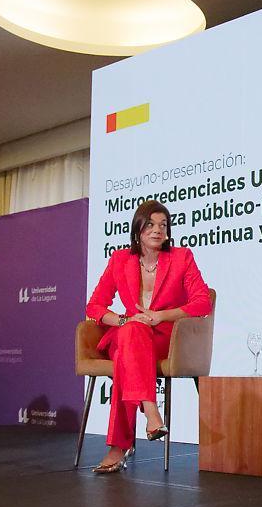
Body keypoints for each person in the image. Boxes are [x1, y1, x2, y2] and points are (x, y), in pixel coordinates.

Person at [85, 200, 212, 473]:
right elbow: (94, 306)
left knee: (123, 358)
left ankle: (119, 446)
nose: (158, 230)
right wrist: (123, 319)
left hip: (164, 339)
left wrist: (161, 316)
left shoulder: (181, 257)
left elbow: (203, 302)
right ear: (138, 229)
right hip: (127, 332)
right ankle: (151, 411)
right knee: (131, 331)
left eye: (163, 225)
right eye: (151, 224)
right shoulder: (120, 260)